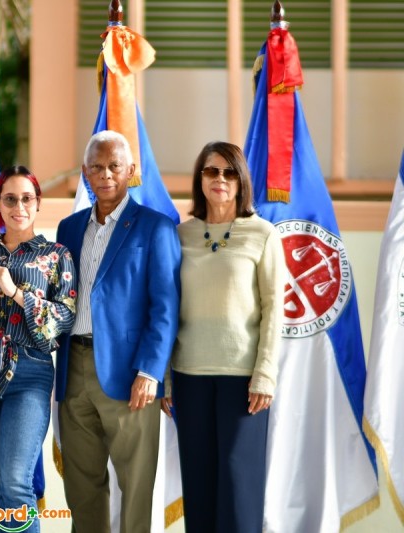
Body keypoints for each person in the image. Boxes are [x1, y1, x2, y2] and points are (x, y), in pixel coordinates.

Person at [55, 130, 181, 533]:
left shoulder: (156, 228)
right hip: (73, 368)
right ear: (85, 172)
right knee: (82, 488)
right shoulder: (68, 229)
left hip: (130, 374)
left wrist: (150, 372)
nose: (105, 174)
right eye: (97, 167)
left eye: (114, 166)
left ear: (131, 170)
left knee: (136, 488)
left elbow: (165, 307)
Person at [160, 141, 284, 533]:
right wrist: (166, 380)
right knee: (199, 487)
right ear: (200, 178)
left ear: (241, 180)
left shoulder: (263, 234)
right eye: (211, 171)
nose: (220, 179)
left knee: (237, 486)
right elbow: (167, 309)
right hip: (189, 376)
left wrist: (265, 374)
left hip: (243, 380)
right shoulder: (180, 235)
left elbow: (274, 308)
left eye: (229, 172)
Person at [0, 166, 77, 532]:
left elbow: (63, 320)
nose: (19, 207)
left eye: (27, 198)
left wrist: (15, 291)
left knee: (15, 482)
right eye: (10, 199)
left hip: (29, 375)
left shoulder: (56, 255)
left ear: (38, 203)